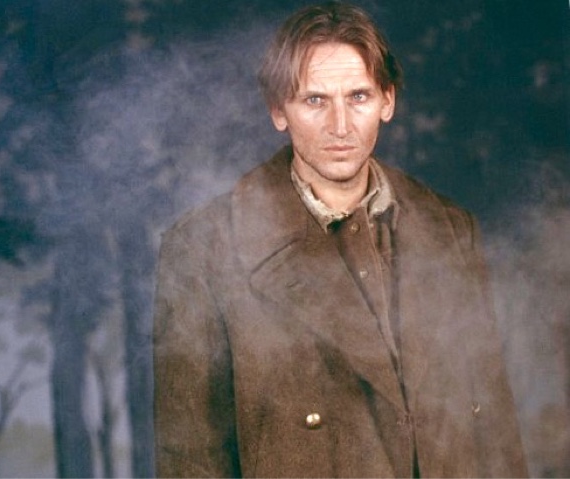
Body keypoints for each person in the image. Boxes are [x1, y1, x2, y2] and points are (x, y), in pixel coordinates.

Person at [153, 2, 528, 477]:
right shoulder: (203, 250)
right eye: (315, 100)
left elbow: (495, 436)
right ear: (278, 111)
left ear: (387, 101)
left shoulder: (451, 230)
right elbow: (190, 462)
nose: (341, 126)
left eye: (358, 97)